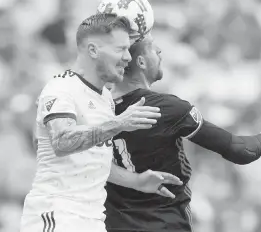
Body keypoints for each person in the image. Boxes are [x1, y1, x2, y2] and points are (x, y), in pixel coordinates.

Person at [104, 35, 261, 232]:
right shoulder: (167, 109)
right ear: (140, 62)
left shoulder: (96, 110)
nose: (160, 53)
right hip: (164, 223)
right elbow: (239, 150)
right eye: (153, 49)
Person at [20, 14, 182, 232]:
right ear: (93, 50)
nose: (128, 57)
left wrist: (137, 182)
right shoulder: (61, 89)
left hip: (92, 219)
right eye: (120, 49)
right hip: (57, 214)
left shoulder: (104, 97)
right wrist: (118, 124)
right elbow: (62, 142)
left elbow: (92, 161)